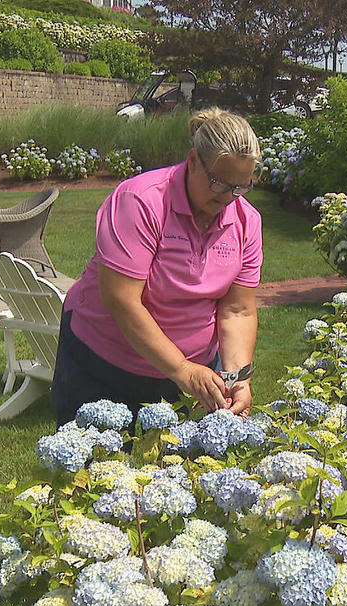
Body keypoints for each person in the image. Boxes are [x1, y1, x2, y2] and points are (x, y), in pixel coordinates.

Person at [51, 108, 262, 426]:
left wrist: (236, 379)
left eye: (241, 187)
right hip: (103, 364)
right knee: (94, 472)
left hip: (187, 373)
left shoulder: (246, 222)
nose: (229, 198)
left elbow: (237, 311)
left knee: (175, 471)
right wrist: (181, 368)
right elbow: (121, 300)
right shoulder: (141, 201)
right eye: (220, 183)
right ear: (193, 161)